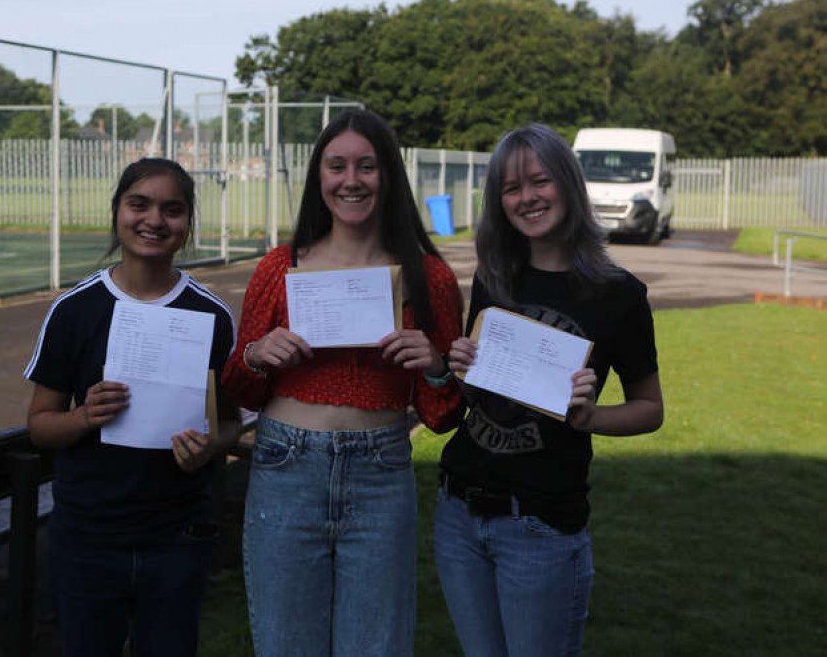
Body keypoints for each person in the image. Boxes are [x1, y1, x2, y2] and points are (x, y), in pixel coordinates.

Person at [222, 109, 465, 656]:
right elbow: (241, 388)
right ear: (319, 177)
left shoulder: (430, 278)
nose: (351, 181)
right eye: (337, 167)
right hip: (286, 469)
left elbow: (444, 414)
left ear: (389, 177)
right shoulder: (280, 268)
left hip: (381, 474)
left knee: (374, 646)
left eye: (366, 167)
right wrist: (259, 354)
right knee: (286, 645)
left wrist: (434, 364)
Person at [436, 123, 664, 657]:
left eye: (539, 180)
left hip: (539, 525)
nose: (527, 198)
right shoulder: (494, 276)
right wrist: (461, 367)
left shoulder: (619, 294)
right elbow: (484, 396)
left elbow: (650, 408)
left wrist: (591, 418)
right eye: (511, 189)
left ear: (567, 182)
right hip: (459, 513)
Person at [23, 158, 239, 657]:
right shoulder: (75, 311)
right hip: (88, 536)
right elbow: (39, 425)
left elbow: (229, 424)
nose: (154, 220)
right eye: (138, 204)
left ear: (187, 225)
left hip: (176, 536)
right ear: (117, 211)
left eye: (172, 209)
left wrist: (208, 448)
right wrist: (82, 417)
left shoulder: (210, 316)